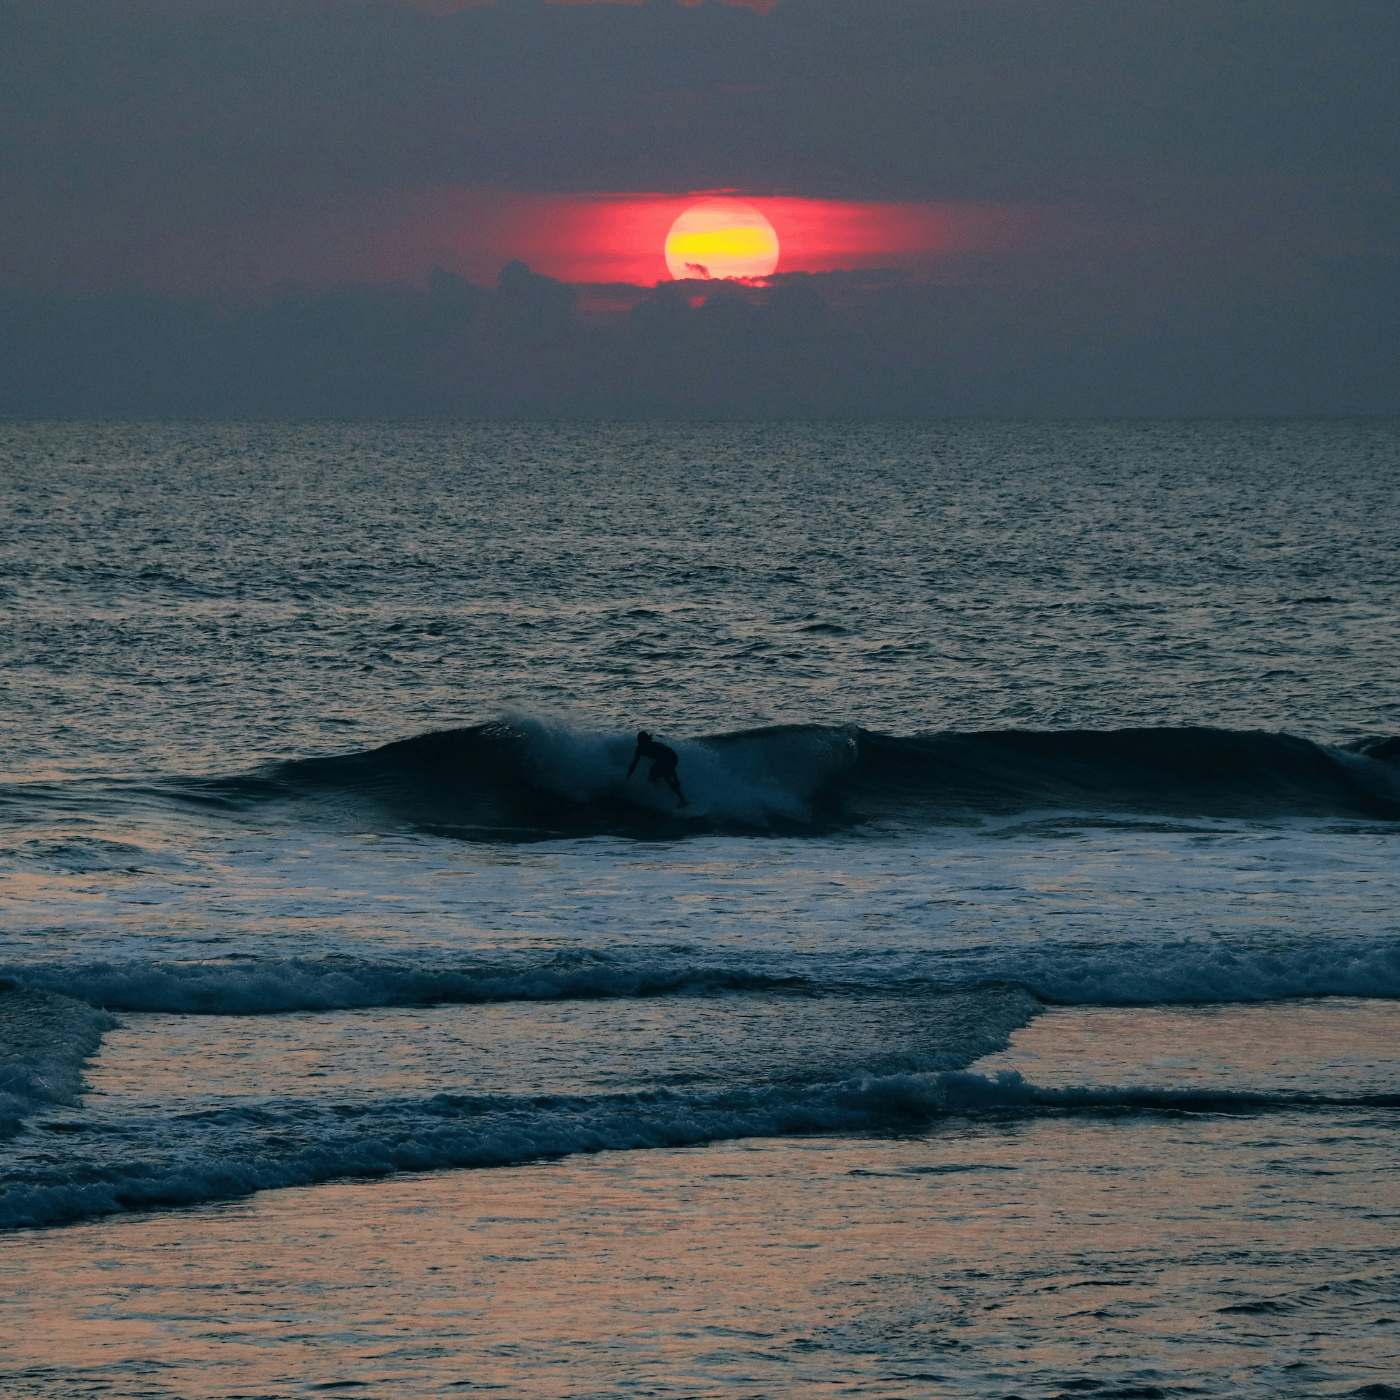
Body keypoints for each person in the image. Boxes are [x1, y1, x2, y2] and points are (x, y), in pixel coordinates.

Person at [626, 731, 687, 807]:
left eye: (641, 740)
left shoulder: (654, 747)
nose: (639, 742)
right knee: (652, 778)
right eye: (638, 740)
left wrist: (675, 777)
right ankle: (657, 795)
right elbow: (634, 764)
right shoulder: (639, 750)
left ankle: (682, 799)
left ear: (646, 740)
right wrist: (627, 778)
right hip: (664, 758)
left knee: (665, 778)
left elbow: (670, 764)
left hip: (670, 756)